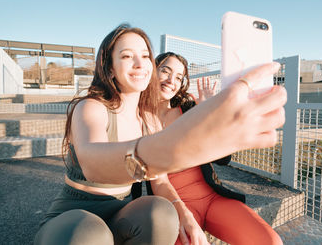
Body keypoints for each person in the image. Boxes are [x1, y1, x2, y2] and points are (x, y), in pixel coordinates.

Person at [34, 23, 287, 245]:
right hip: (76, 212)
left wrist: (184, 214)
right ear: (109, 68)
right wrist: (185, 147)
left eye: (145, 55)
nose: (139, 63)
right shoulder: (91, 107)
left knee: (161, 212)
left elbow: (162, 182)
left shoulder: (151, 119)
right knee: (88, 233)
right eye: (127, 56)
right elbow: (93, 164)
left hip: (122, 212)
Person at [139, 52, 283, 245]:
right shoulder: (138, 117)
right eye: (165, 71)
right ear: (151, 71)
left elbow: (223, 159)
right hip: (174, 205)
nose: (171, 80)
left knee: (270, 241)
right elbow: (157, 180)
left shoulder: (189, 107)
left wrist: (213, 119)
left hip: (213, 198)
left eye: (179, 77)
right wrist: (184, 214)